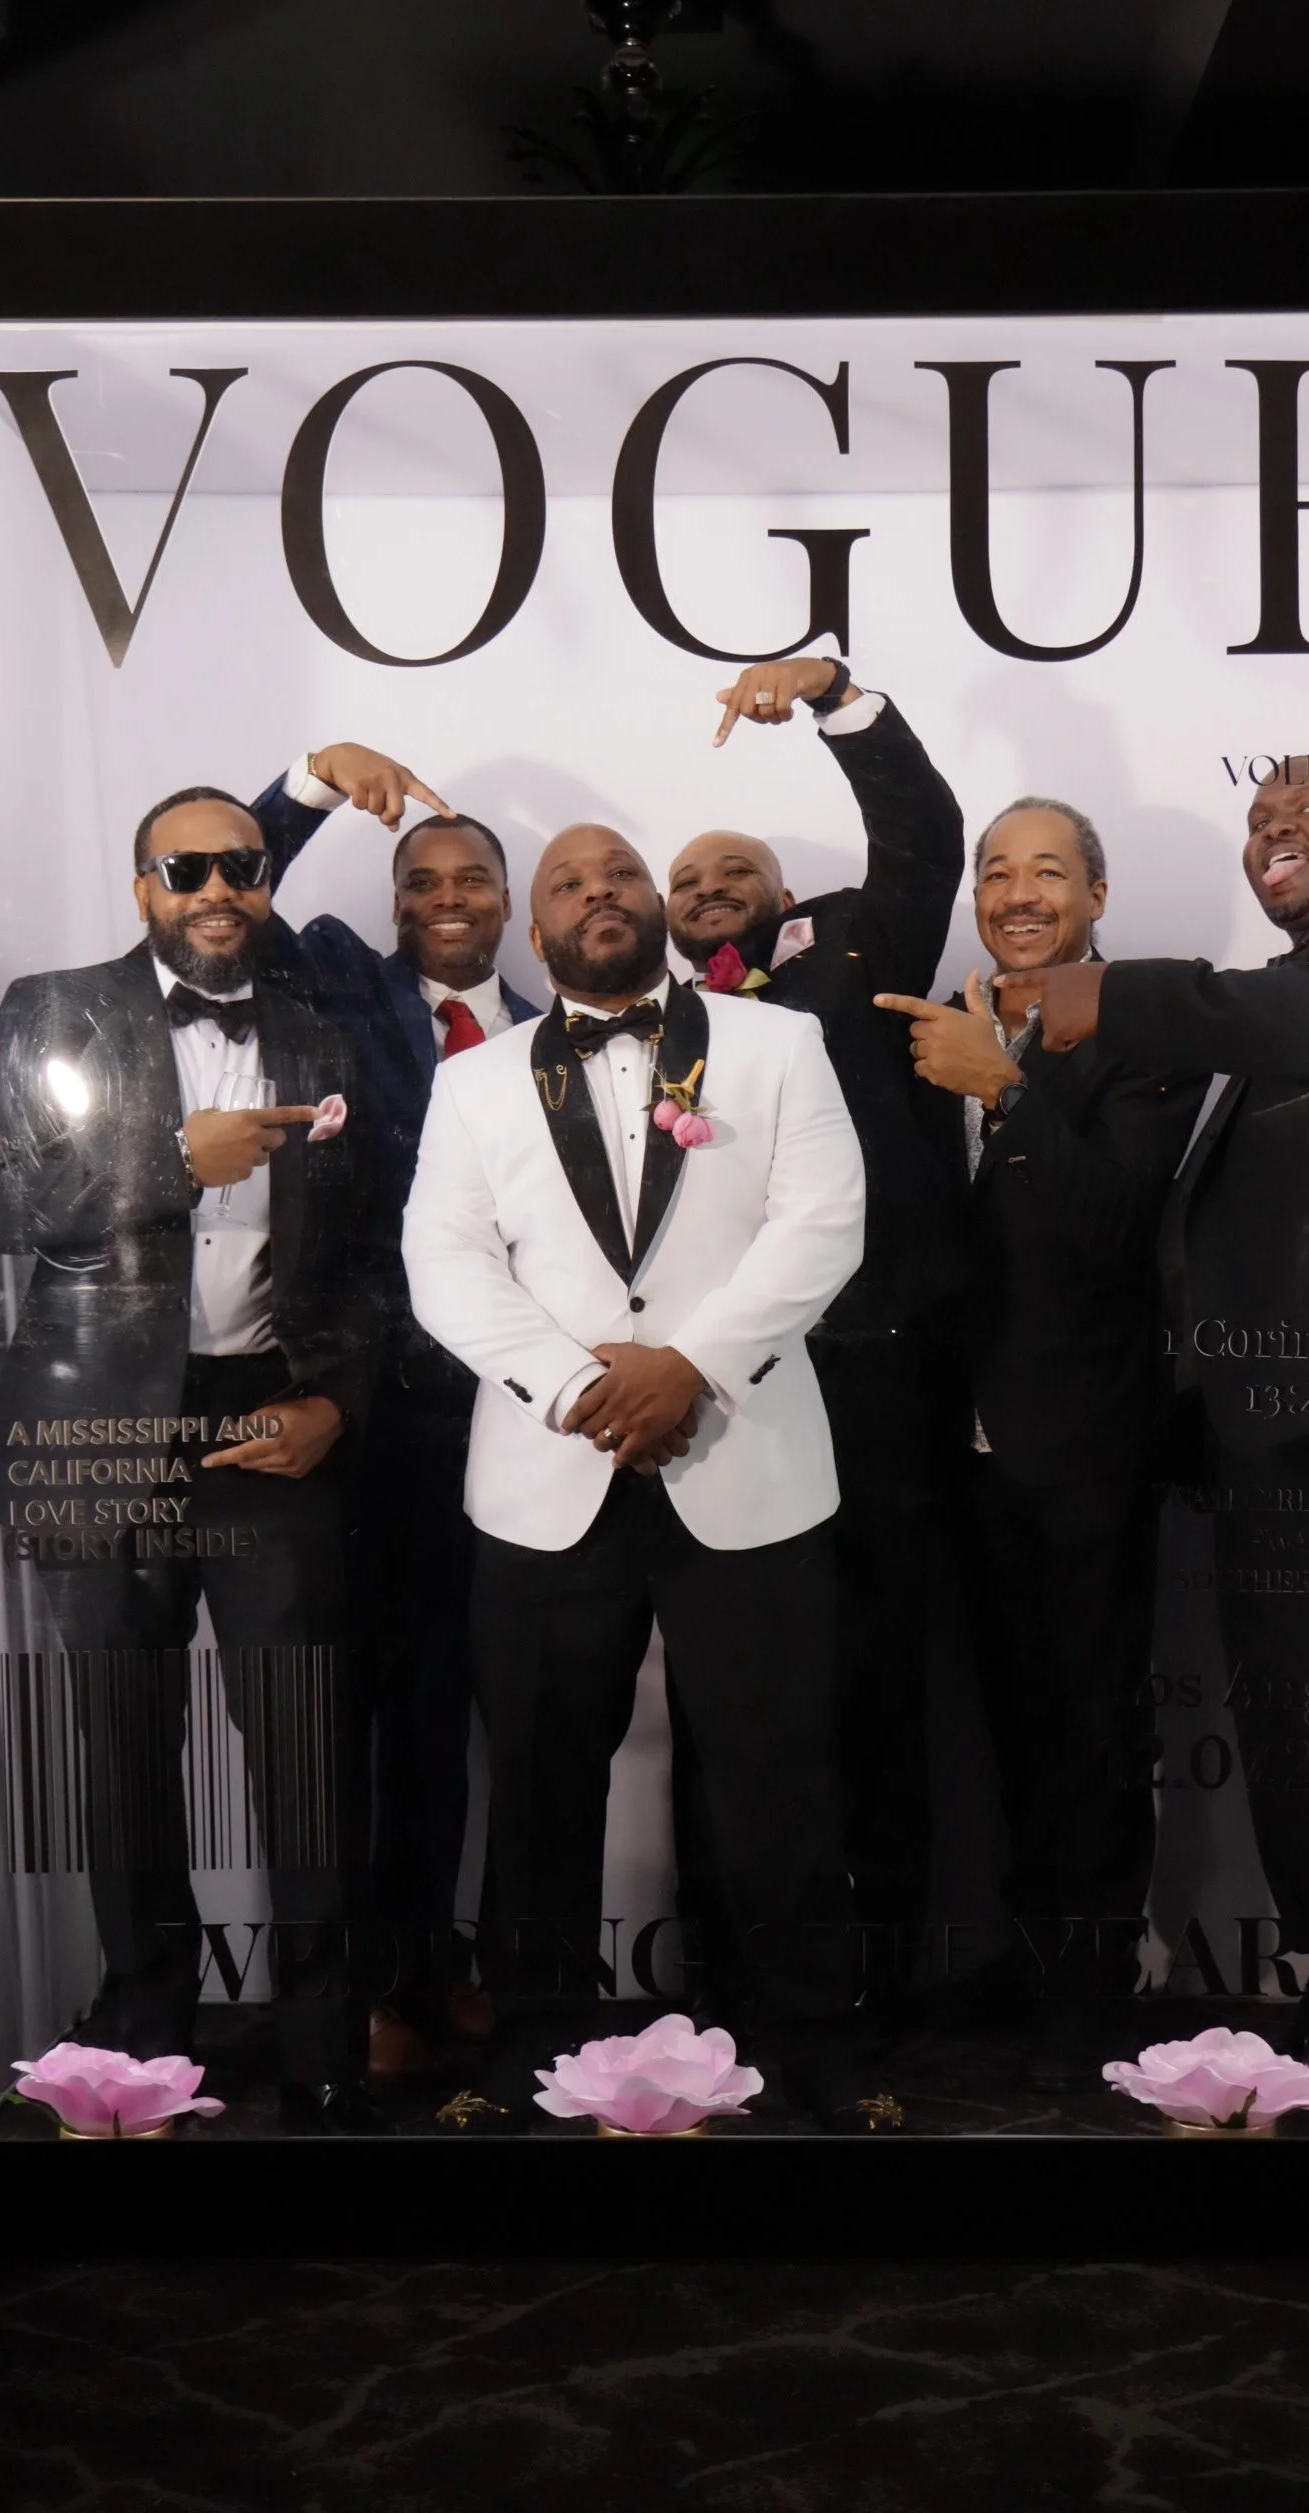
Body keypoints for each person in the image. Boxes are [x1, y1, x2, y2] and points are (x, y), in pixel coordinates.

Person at [996, 755, 1309, 2133]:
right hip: (1285, 1439)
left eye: (1307, 808)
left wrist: (1122, 996)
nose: (1274, 828)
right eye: (1258, 816)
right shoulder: (1293, 999)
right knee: (1303, 1774)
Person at [402, 821, 898, 2133]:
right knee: (541, 1785)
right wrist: (581, 1391)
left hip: (744, 1455)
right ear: (533, 923)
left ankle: (806, 2039)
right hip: (544, 1476)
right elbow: (445, 1264)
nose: (599, 894)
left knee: (778, 1770)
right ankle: (534, 2040)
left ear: (655, 902)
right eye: (568, 882)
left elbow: (825, 1221)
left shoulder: (778, 1045)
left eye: (619, 872)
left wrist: (690, 1366)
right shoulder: (475, 1082)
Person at [0, 785, 396, 2132]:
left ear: (266, 880)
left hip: (272, 1420)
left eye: (240, 866)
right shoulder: (55, 1006)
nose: (217, 888)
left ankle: (324, 2045)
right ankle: (148, 2032)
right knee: (121, 1747)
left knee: (304, 1744)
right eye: (185, 867)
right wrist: (167, 1159)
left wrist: (341, 1401)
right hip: (98, 1426)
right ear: (144, 883)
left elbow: (382, 1242)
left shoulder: (327, 1023)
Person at [874, 801, 1207, 2086]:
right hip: (932, 1453)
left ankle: (1085, 1997)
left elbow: (1121, 1221)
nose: (1018, 893)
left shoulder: (1144, 1028)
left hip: (1081, 1446)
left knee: (1088, 1727)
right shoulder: (925, 1022)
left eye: (1049, 871)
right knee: (967, 1726)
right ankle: (984, 1971)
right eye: (996, 870)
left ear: (1099, 897)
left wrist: (1005, 1088)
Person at [663, 655, 968, 1996]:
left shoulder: (858, 943)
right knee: (728, 1688)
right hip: (718, 1392)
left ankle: (888, 1975)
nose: (711, 892)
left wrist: (840, 694)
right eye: (688, 882)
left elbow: (925, 830)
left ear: (784, 893)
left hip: (877, 1365)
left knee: (884, 1669)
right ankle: (725, 1975)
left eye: (737, 872)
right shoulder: (639, 1019)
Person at [249, 747, 541, 2079]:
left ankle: (436, 1961)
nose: (445, 896)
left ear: (507, 898)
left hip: (528, 1415)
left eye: (470, 876)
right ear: (394, 900)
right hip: (376, 1413)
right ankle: (369, 1977)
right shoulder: (337, 983)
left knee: (472, 1705)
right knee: (371, 1707)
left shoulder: (564, 1022)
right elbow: (231, 901)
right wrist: (304, 788)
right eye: (420, 880)